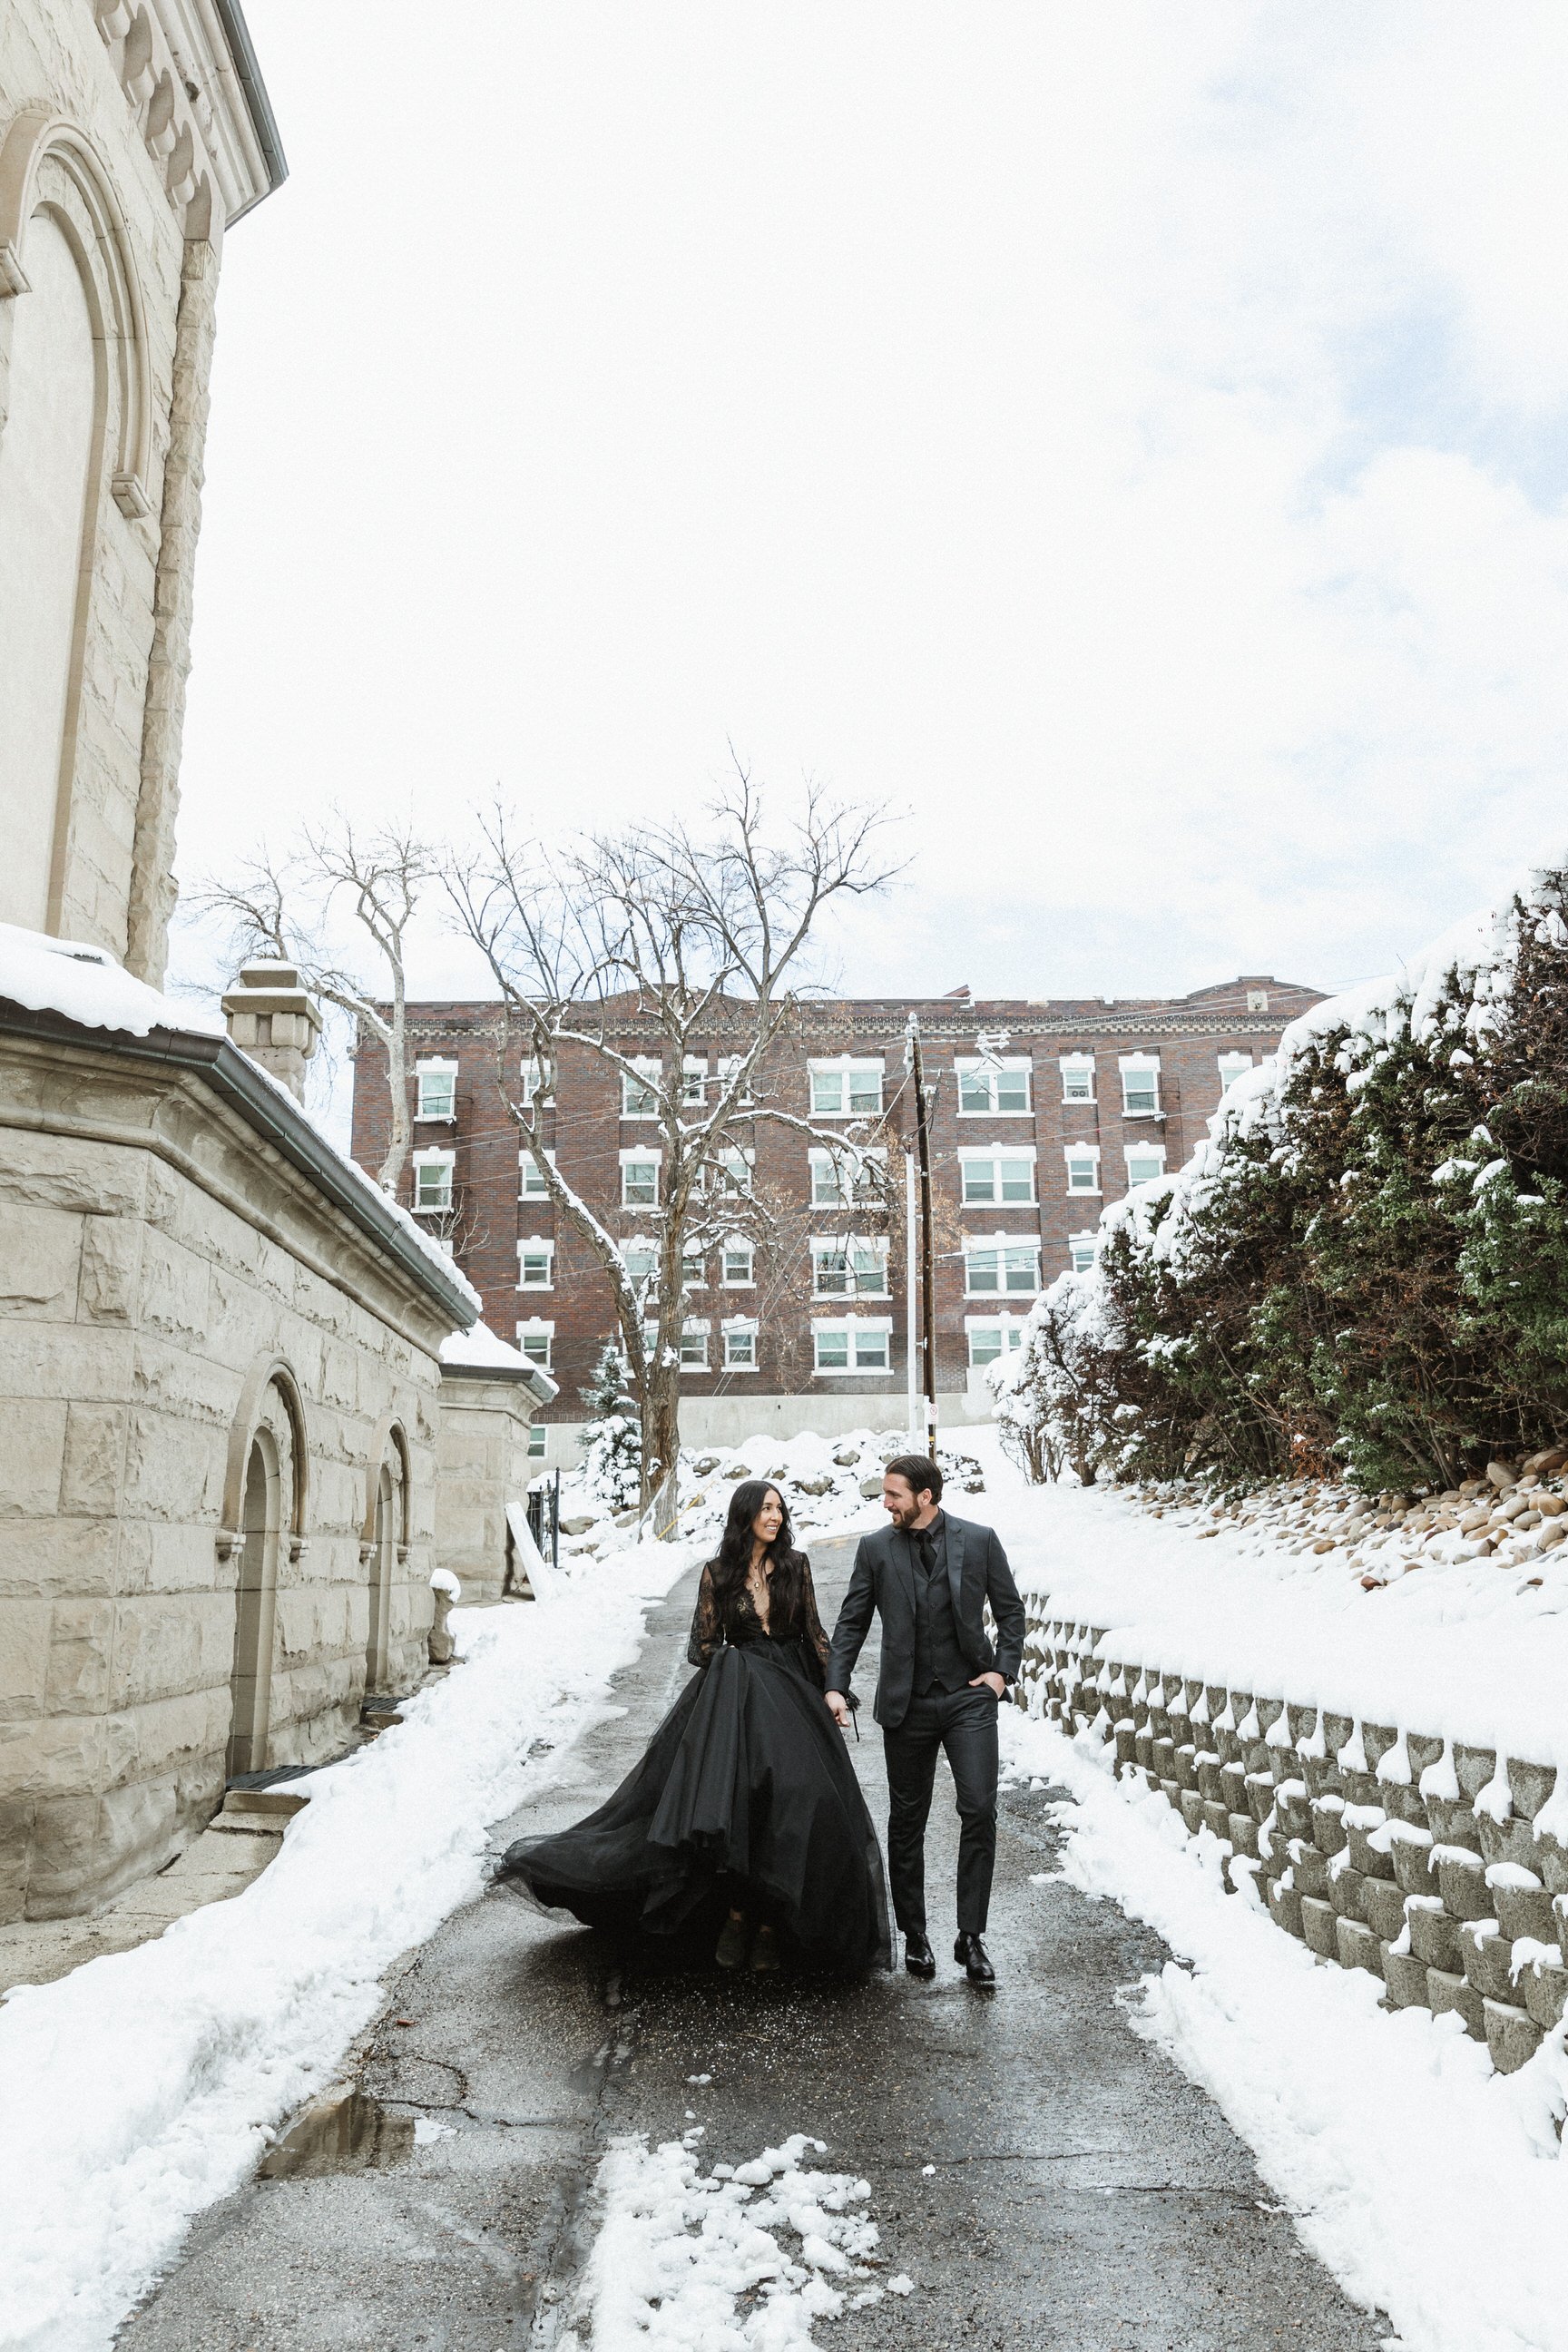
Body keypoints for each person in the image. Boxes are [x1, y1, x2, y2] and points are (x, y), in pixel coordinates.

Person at [493, 1480, 892, 1976]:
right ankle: (736, 1916)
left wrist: (835, 1689)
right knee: (733, 1807)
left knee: (798, 1800)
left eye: (779, 1509)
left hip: (793, 1695)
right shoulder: (718, 1573)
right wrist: (737, 1661)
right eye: (766, 1508)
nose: (775, 1516)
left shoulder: (795, 1565)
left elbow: (813, 1632)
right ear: (744, 1514)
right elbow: (700, 1648)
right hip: (735, 1702)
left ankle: (772, 1924)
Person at [824, 1453, 1024, 1986]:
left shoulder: (979, 1540)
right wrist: (835, 1684)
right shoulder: (874, 1549)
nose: (884, 1503)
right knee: (907, 1821)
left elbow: (1010, 1612)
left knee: (979, 1809)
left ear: (925, 1497)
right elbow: (852, 1622)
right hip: (906, 1705)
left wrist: (1001, 1675)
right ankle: (915, 1934)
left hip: (967, 1698)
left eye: (893, 1495)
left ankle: (971, 1937)